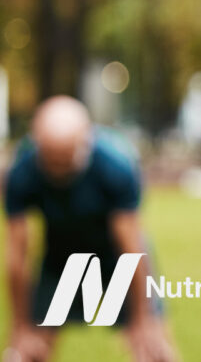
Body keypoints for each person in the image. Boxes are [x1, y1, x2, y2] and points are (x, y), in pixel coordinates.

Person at [4, 96, 176, 362]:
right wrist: (22, 325)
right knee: (26, 353)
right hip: (60, 261)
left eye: (65, 160)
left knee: (153, 351)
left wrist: (143, 319)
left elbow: (132, 247)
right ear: (38, 144)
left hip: (116, 261)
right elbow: (17, 256)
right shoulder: (22, 172)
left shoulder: (115, 165)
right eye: (51, 160)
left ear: (86, 142)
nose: (58, 171)